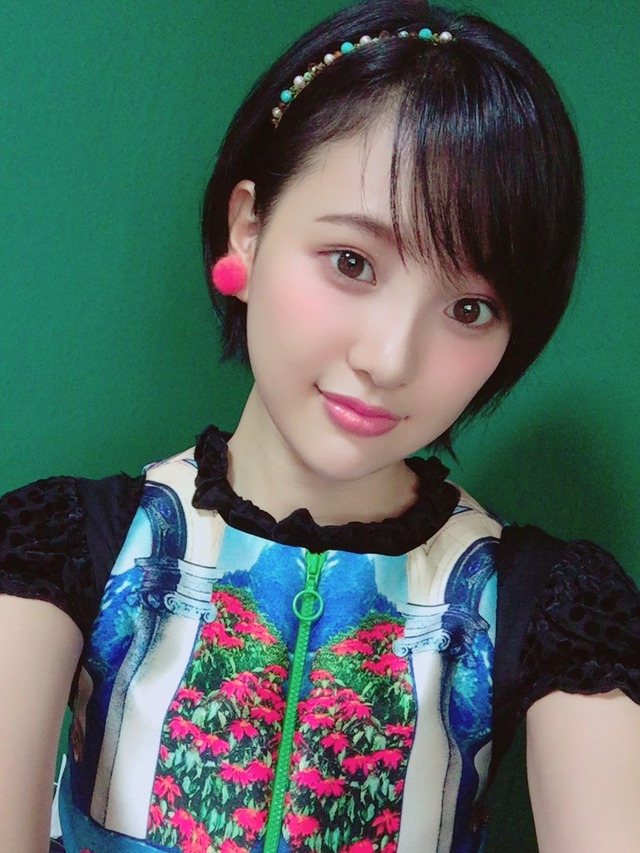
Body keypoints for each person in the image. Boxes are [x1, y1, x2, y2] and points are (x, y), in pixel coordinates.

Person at [0, 1, 638, 851]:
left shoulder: (546, 606)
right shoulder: (66, 547)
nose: (389, 358)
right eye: (352, 262)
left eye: (469, 307)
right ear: (247, 228)